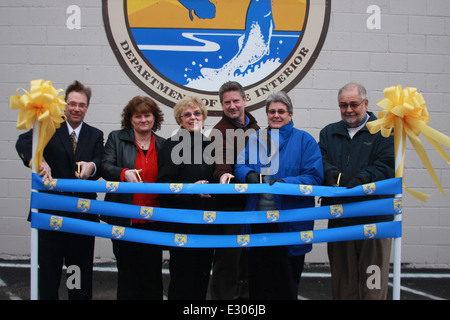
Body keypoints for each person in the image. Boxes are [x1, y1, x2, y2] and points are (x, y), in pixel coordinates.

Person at [15, 80, 104, 300]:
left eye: (81, 105)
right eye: (72, 104)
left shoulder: (95, 134)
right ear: (65, 105)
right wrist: (39, 160)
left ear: (87, 107)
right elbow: (23, 143)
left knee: (77, 272)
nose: (76, 108)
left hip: (82, 217)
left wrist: (92, 168)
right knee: (48, 273)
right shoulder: (48, 125)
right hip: (49, 215)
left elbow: (100, 162)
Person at [234, 91, 323, 300]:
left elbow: (314, 176)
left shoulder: (305, 141)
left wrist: (286, 184)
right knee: (258, 283)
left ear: (290, 115)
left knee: (287, 284)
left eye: (281, 111)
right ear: (266, 114)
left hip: (290, 224)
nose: (276, 115)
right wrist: (249, 174)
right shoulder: (255, 139)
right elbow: (239, 165)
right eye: (272, 111)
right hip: (258, 222)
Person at [318, 82, 395, 300]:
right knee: (344, 287)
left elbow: (386, 165)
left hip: (375, 220)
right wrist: (329, 172)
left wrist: (362, 180)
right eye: (343, 105)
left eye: (354, 104)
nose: (348, 110)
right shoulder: (328, 133)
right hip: (340, 220)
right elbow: (320, 161)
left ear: (366, 103)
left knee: (373, 285)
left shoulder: (385, 130)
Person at [101, 96, 166, 300]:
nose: (143, 120)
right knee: (128, 276)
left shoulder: (164, 145)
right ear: (130, 119)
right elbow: (105, 166)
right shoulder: (116, 138)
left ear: (155, 118)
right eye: (138, 116)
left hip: (154, 220)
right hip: (124, 218)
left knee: (152, 277)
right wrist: (123, 173)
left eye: (147, 115)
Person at [157, 96, 217, 300]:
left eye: (197, 113)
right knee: (182, 282)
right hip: (183, 223)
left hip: (206, 224)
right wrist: (191, 191)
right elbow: (163, 184)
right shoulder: (172, 145)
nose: (193, 117)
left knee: (201, 280)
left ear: (204, 116)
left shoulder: (208, 144)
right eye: (187, 114)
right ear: (179, 120)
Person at [209, 81, 260, 300]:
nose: (232, 106)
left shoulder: (256, 129)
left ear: (244, 100)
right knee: (228, 260)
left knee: (250, 260)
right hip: (230, 205)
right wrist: (222, 174)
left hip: (254, 203)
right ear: (221, 104)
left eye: (236, 101)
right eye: (227, 102)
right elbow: (220, 161)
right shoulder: (218, 131)